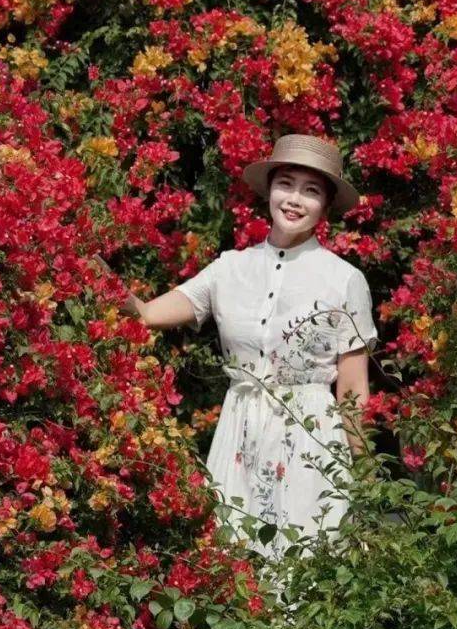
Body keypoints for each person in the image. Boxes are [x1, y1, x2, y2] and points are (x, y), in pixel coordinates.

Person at [122, 134, 376, 560]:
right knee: (233, 563)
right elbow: (146, 314)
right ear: (269, 190)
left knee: (304, 565)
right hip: (240, 431)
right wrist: (89, 272)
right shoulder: (229, 269)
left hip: (310, 441)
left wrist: (364, 474)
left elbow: (352, 390)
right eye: (286, 184)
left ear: (326, 206)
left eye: (311, 191)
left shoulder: (344, 279)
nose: (294, 199)